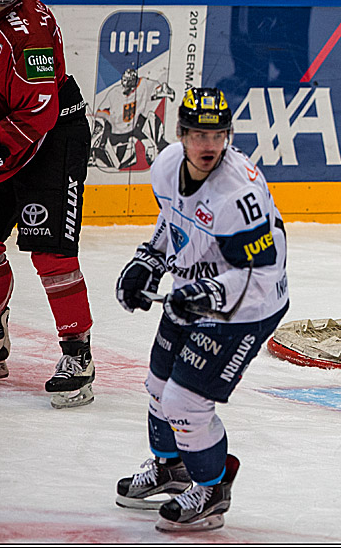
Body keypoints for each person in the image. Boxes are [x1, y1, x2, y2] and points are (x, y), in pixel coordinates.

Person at [113, 87, 289, 532]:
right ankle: (171, 468)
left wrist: (206, 294)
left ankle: (212, 490)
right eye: (198, 135)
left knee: (185, 401)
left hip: (247, 307)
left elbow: (260, 272)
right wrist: (149, 260)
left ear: (228, 136)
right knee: (157, 385)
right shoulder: (166, 166)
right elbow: (173, 220)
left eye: (217, 136)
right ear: (181, 134)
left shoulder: (238, 193)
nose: (208, 145)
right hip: (195, 291)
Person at [0, 0, 96, 408]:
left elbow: (38, 112)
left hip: (53, 138)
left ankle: (78, 354)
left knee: (50, 252)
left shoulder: (28, 29)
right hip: (6, 130)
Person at [89, 67, 175, 172]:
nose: (125, 87)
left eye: (128, 83)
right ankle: (93, 153)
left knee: (151, 117)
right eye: (124, 82)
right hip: (117, 133)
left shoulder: (144, 85)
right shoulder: (114, 93)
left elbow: (159, 88)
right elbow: (101, 113)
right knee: (119, 162)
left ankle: (161, 147)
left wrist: (165, 91)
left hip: (135, 128)